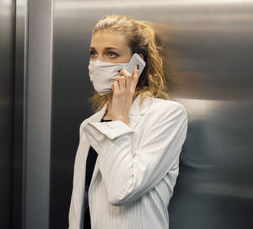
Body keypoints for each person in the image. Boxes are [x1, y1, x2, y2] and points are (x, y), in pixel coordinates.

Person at [68, 14, 188, 229]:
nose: (97, 63)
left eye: (111, 54)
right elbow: (79, 206)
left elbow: (122, 191)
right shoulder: (90, 124)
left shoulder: (167, 115)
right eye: (93, 54)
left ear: (136, 63)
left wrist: (119, 119)